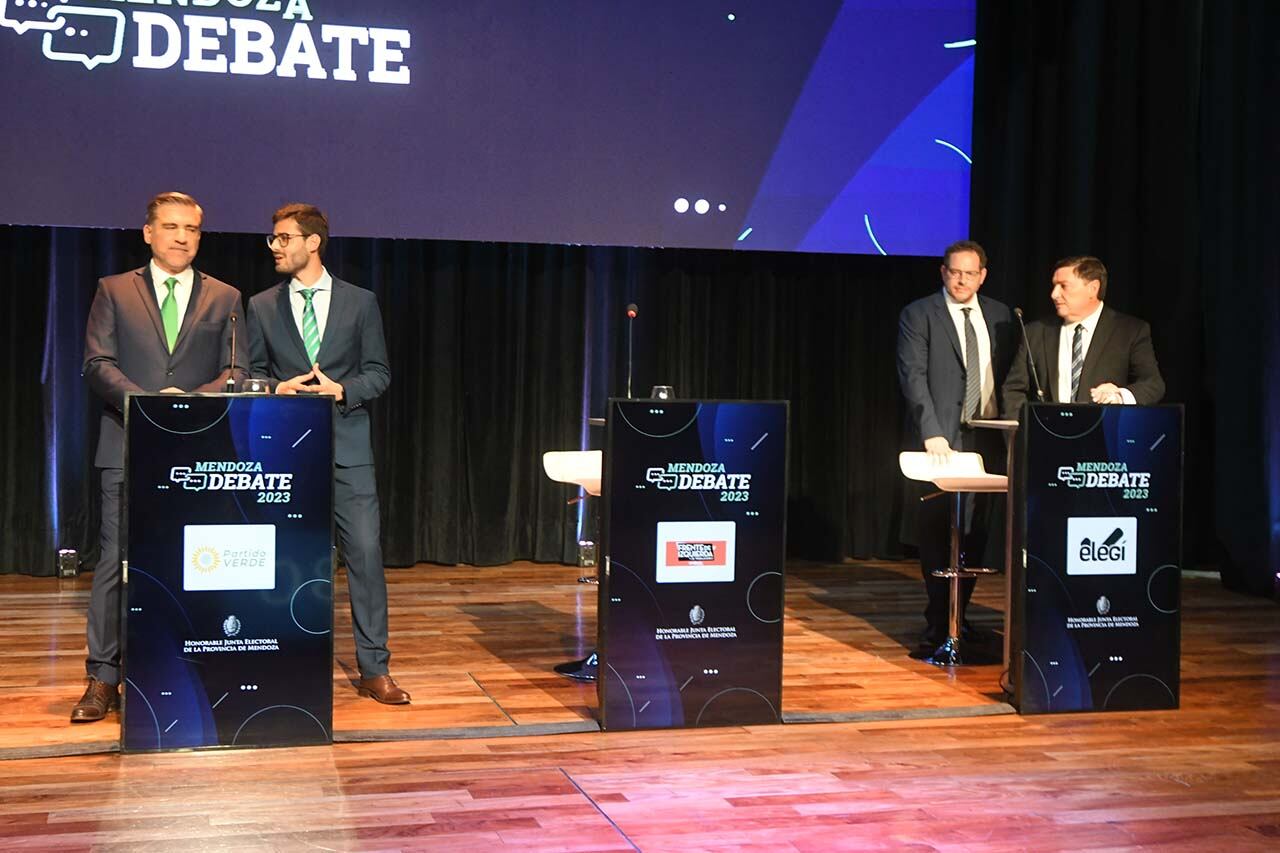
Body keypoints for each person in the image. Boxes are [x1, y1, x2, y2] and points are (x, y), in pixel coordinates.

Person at [74, 192, 243, 722]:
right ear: (148, 232)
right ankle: (103, 678)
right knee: (115, 559)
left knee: (194, 562)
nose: (181, 237)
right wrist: (147, 406)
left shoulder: (226, 296)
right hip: (126, 444)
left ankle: (194, 670)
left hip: (197, 450)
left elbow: (238, 369)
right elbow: (97, 362)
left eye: (191, 228)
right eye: (170, 227)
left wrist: (192, 403)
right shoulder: (114, 290)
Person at [245, 203, 408, 705]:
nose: (275, 246)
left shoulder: (361, 303)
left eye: (283, 238)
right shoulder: (260, 305)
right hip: (285, 451)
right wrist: (277, 388)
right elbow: (249, 374)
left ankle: (374, 668)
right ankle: (280, 659)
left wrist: (342, 391)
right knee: (281, 560)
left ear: (313, 242)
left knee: (363, 552)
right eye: (272, 239)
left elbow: (379, 372)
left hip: (347, 450)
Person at [897, 240, 1016, 652]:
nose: (962, 279)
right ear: (943, 272)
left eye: (970, 272)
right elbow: (912, 376)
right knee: (939, 528)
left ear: (982, 275)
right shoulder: (919, 313)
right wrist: (931, 430)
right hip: (941, 437)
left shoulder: (1002, 316)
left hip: (989, 434)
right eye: (954, 271)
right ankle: (938, 620)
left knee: (977, 530)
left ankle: (959, 617)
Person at [1002, 256, 1165, 413]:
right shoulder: (1035, 332)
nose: (1054, 294)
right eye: (1054, 286)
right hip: (1047, 436)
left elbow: (1153, 384)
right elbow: (1014, 390)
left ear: (1093, 288)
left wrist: (1119, 395)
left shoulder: (1129, 331)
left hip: (1104, 434)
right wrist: (1022, 432)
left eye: (1063, 286)